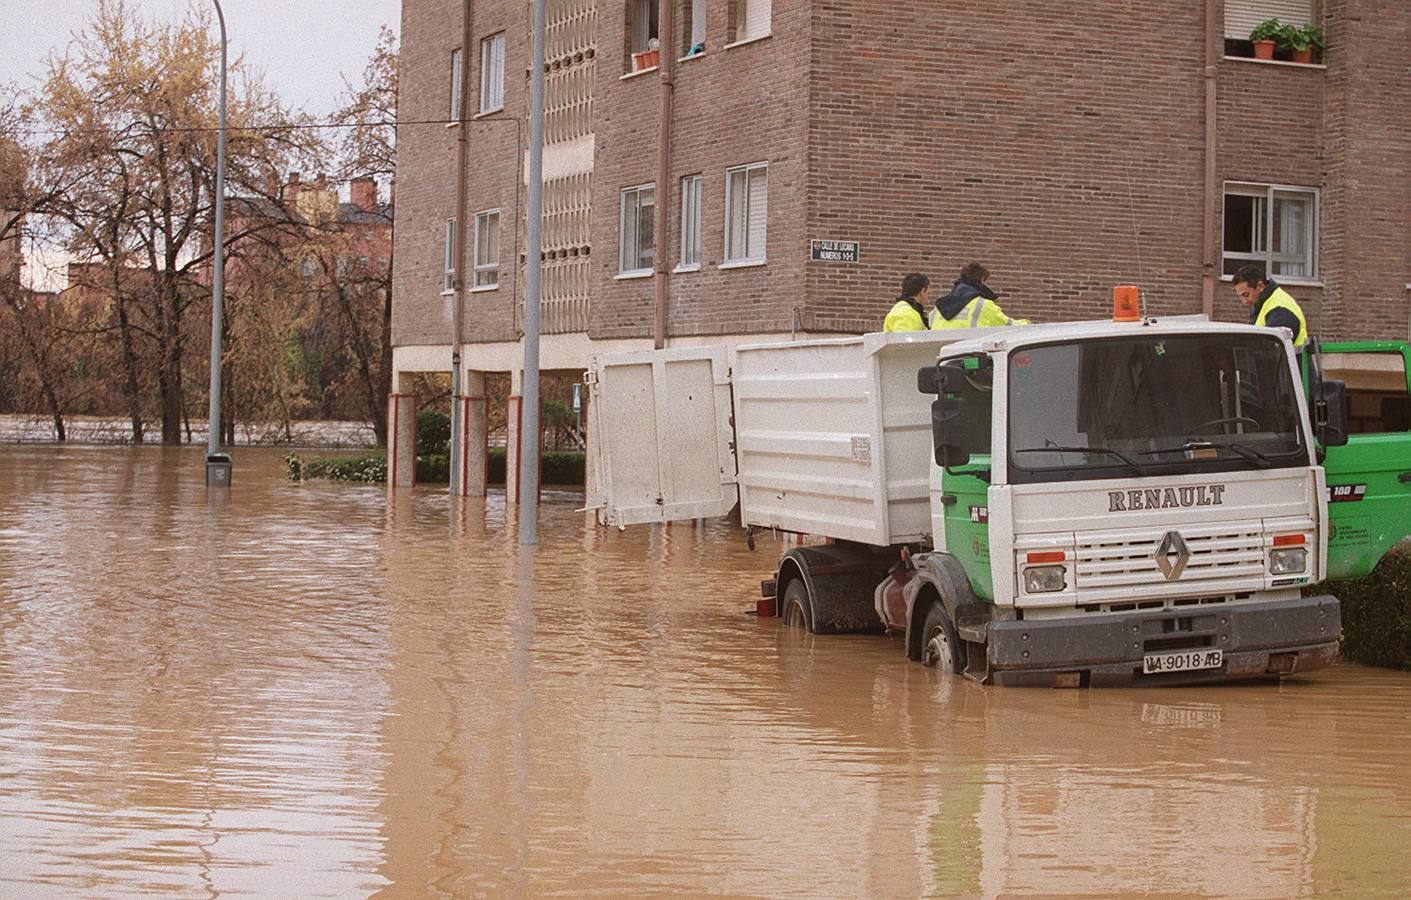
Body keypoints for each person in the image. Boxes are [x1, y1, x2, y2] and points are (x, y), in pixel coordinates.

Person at [930, 262, 1029, 329]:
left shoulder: (937, 309)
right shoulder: (983, 305)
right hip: (970, 358)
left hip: (942, 359)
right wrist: (1027, 323)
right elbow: (1008, 325)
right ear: (981, 280)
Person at [1232, 263, 1307, 348]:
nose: (1244, 301)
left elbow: (1271, 351)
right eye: (1241, 297)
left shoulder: (1280, 309)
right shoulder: (1265, 305)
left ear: (1260, 286)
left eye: (1246, 295)